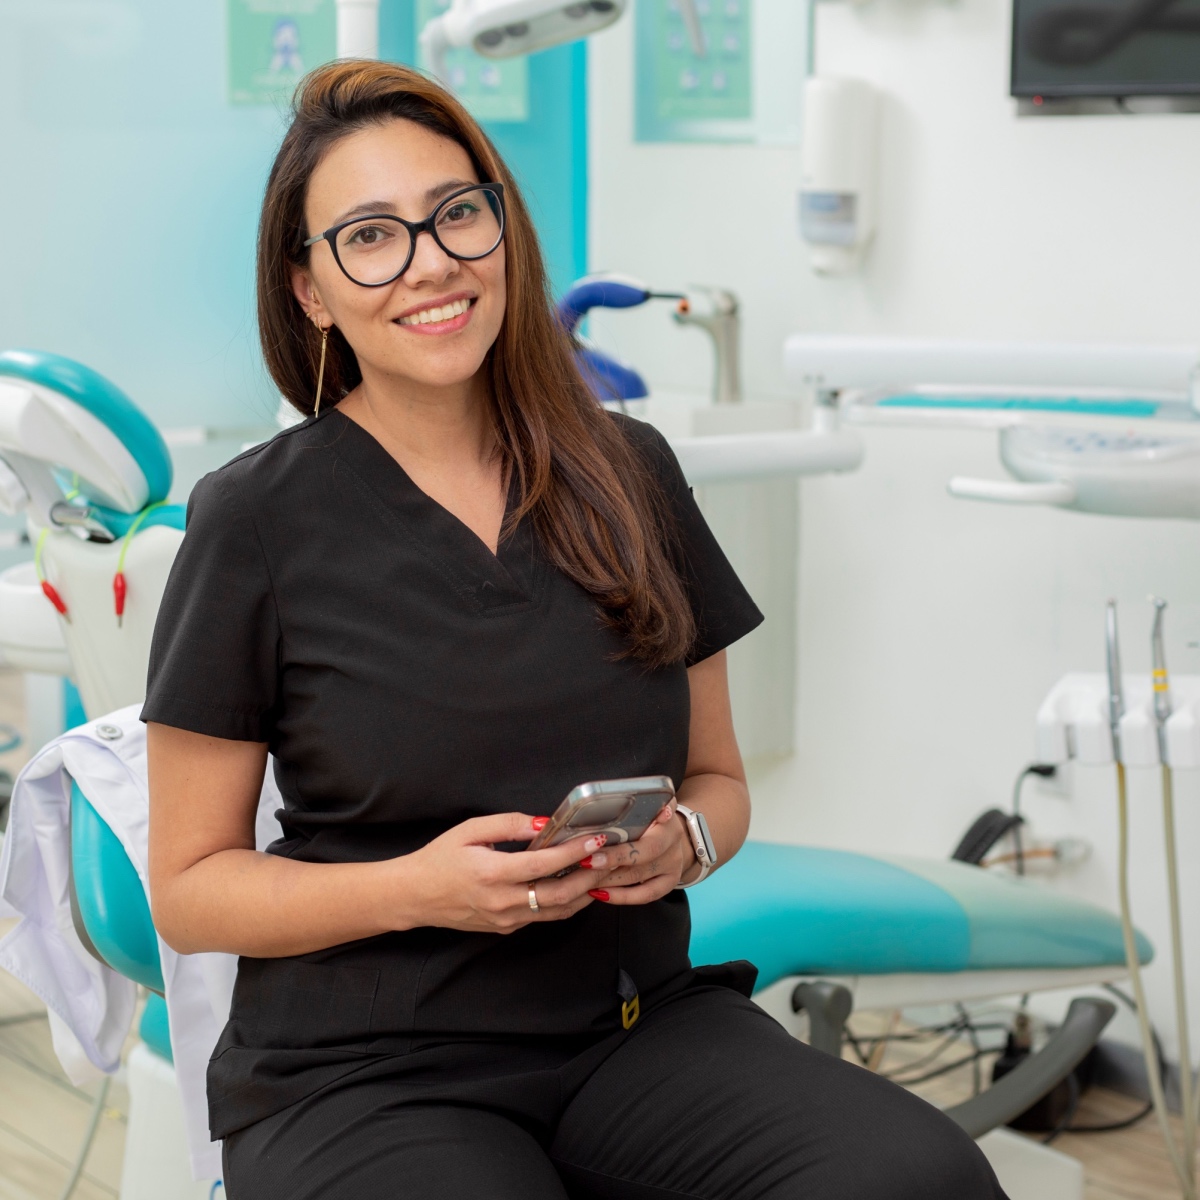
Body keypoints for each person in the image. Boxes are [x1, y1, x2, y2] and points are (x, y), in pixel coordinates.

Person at [144, 60, 1006, 1200]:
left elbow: (718, 779)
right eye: (369, 237)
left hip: (633, 1029)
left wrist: (683, 842)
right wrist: (419, 889)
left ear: (502, 227)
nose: (432, 262)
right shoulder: (255, 517)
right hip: (365, 1071)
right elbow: (191, 887)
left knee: (916, 1177)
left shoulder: (629, 472)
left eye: (458, 213)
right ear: (310, 290)